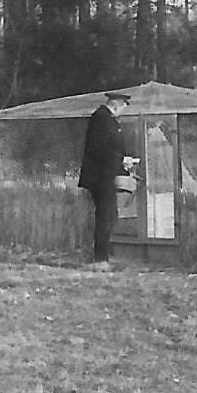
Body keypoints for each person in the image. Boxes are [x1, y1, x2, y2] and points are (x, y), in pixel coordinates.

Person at [77, 91, 139, 269]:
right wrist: (120, 160)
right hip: (99, 177)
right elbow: (97, 148)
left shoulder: (107, 119)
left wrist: (122, 165)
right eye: (124, 107)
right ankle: (100, 259)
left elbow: (109, 148)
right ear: (117, 105)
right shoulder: (102, 118)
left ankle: (103, 256)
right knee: (106, 215)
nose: (123, 111)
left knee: (109, 214)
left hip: (106, 175)